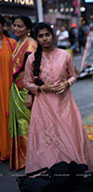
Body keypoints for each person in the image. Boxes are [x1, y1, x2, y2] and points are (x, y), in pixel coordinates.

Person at [24, 22, 93, 174]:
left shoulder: (65, 55)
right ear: (36, 38)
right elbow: (27, 83)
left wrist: (67, 84)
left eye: (47, 35)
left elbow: (73, 76)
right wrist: (42, 88)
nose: (45, 39)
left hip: (64, 102)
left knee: (67, 134)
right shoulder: (31, 59)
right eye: (41, 36)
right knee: (47, 137)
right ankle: (50, 169)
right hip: (43, 103)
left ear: (53, 35)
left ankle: (72, 167)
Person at [9, 15, 37, 170]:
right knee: (22, 125)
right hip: (16, 89)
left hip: (26, 90)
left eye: (19, 26)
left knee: (29, 124)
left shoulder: (31, 44)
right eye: (14, 25)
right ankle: (25, 159)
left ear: (28, 29)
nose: (15, 28)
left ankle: (31, 160)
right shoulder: (19, 43)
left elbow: (35, 70)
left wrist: (30, 93)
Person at [0, 15, 17, 161]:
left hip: (9, 87)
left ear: (3, 26)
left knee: (9, 117)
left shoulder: (12, 43)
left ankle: (10, 150)